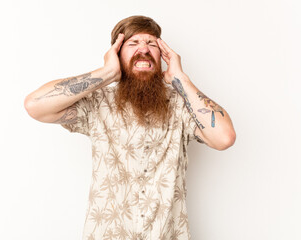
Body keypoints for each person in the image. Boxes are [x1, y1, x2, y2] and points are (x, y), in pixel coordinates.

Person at [24, 15, 236, 240]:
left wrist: (180, 79)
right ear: (117, 54)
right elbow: (35, 105)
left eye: (152, 44)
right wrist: (106, 73)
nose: (143, 49)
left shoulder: (182, 105)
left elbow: (224, 137)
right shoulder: (97, 103)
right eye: (133, 43)